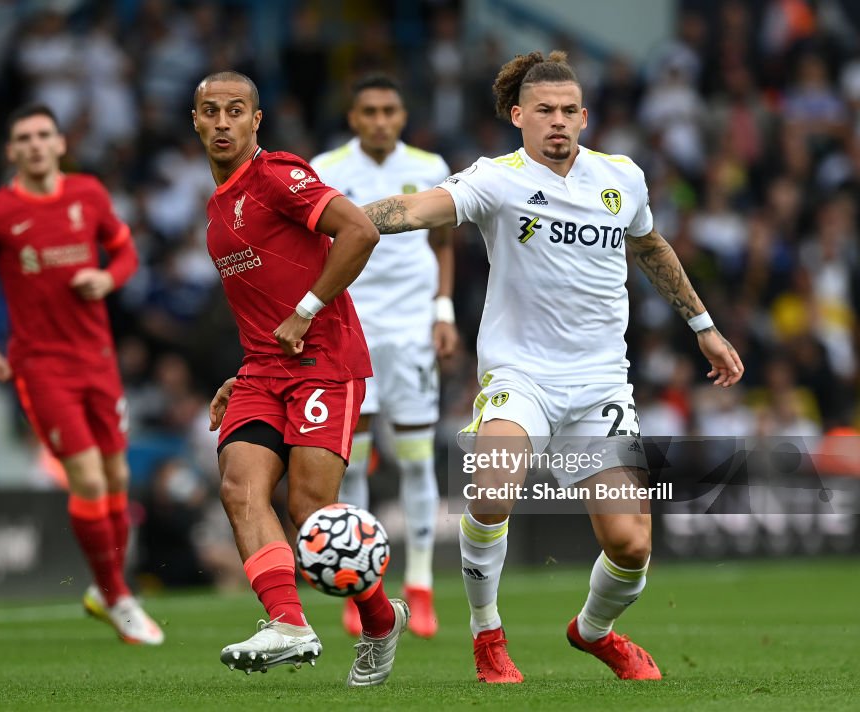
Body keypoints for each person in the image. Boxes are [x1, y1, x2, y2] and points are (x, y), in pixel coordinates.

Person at [361, 51, 744, 683]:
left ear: (585, 117)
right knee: (490, 491)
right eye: (544, 111)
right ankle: (488, 636)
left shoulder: (623, 177)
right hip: (522, 378)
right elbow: (417, 210)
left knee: (631, 546)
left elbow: (648, 243)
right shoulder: (497, 179)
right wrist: (336, 220)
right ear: (518, 116)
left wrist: (703, 326)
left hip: (599, 387)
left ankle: (594, 633)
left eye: (569, 111)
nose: (558, 122)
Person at [192, 71, 409, 686]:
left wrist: (306, 311)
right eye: (212, 111)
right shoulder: (215, 209)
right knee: (239, 489)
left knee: (310, 509)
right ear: (196, 120)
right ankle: (288, 623)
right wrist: (244, 370)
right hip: (263, 372)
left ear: (256, 120)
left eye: (237, 111)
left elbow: (360, 230)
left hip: (324, 360)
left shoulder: (278, 175)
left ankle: (379, 621)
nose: (224, 122)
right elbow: (261, 301)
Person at [0, 103, 163, 646]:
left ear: (61, 143)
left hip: (98, 358)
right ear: (12, 151)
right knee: (89, 479)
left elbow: (124, 252)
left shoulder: (88, 194)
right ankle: (117, 594)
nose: (36, 145)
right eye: (24, 138)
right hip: (40, 365)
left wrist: (107, 278)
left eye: (45, 135)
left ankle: (107, 589)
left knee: (116, 481)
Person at [311, 74, 458, 638]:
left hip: (413, 328)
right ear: (353, 117)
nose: (379, 120)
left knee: (419, 459)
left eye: (389, 110)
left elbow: (443, 241)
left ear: (402, 115)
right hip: (352, 327)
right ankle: (358, 586)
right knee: (355, 463)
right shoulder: (326, 167)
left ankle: (419, 587)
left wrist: (443, 312)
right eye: (368, 110)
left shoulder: (430, 162)